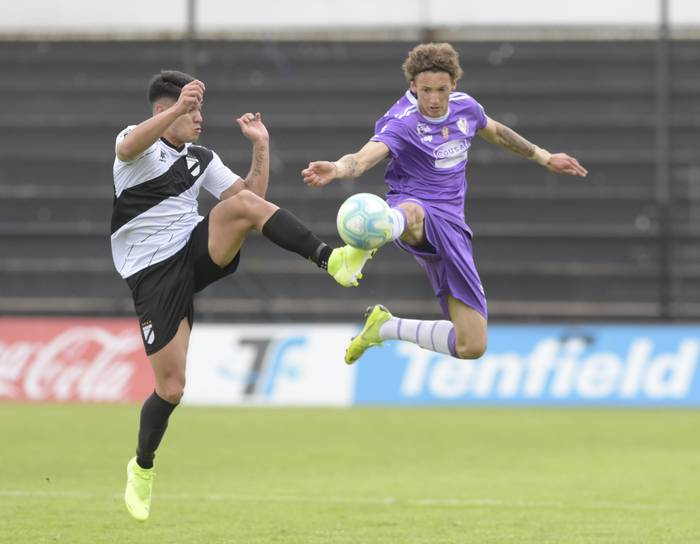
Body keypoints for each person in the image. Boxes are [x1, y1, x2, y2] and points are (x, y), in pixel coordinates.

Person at [112, 70, 373, 521]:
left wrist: (260, 145)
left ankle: (332, 260)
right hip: (151, 274)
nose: (198, 120)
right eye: (190, 111)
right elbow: (127, 146)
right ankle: (143, 466)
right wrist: (178, 106)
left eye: (199, 111)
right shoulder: (137, 146)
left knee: (243, 207)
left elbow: (253, 202)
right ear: (163, 111)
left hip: (192, 249)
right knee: (171, 389)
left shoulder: (202, 157)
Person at [302, 42, 587, 364]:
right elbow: (364, 158)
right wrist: (338, 168)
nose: (434, 99)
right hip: (413, 208)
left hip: (453, 227)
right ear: (413, 86)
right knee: (412, 212)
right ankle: (358, 249)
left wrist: (544, 157)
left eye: (441, 90)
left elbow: (497, 131)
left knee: (472, 345)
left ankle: (384, 327)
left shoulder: (467, 109)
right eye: (426, 90)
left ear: (454, 85)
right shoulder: (402, 122)